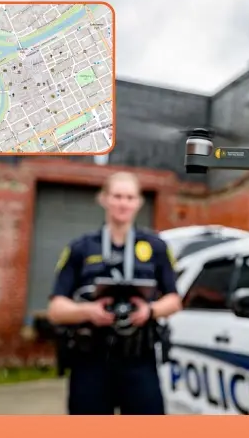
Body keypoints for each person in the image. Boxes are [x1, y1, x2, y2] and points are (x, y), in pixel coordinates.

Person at [46, 171, 182, 415]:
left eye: (129, 197)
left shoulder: (156, 247)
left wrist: (150, 311)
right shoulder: (80, 248)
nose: (123, 203)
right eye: (117, 196)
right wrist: (88, 311)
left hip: (140, 360)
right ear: (104, 199)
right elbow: (56, 310)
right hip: (91, 362)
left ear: (139, 202)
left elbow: (174, 300)